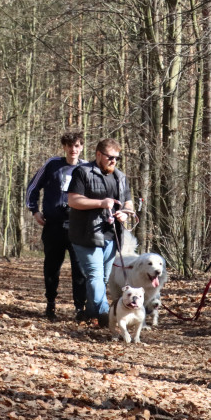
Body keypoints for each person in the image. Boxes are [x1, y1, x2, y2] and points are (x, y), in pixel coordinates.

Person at [67, 138, 134, 327]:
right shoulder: (83, 172)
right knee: (95, 276)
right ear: (98, 155)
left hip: (112, 235)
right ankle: (107, 316)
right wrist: (101, 203)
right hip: (86, 234)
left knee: (103, 278)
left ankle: (90, 313)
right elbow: (73, 200)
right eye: (110, 157)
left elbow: (128, 201)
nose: (114, 161)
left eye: (117, 158)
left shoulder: (120, 177)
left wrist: (126, 213)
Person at [26, 132, 87, 321]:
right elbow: (32, 188)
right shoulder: (52, 164)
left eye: (77, 146)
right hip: (54, 225)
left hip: (78, 227)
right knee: (52, 267)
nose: (73, 149)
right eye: (69, 145)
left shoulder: (87, 168)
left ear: (82, 147)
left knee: (80, 269)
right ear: (64, 147)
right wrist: (34, 210)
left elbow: (95, 196)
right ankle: (50, 303)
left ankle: (80, 308)